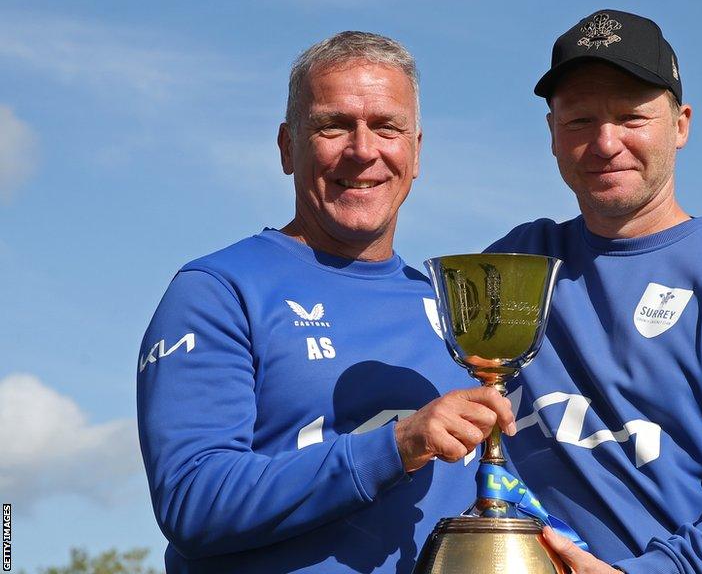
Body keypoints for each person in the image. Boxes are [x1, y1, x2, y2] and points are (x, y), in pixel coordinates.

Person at [136, 31, 516, 573]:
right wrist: (398, 444)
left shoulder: (454, 310)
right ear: (288, 147)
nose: (363, 151)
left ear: (416, 151)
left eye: (387, 127)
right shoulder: (219, 290)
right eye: (333, 125)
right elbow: (194, 501)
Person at [487, 10, 702, 573]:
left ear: (681, 124)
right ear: (551, 131)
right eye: (579, 120)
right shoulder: (513, 264)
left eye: (632, 117)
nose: (605, 142)